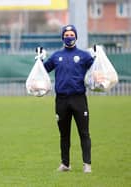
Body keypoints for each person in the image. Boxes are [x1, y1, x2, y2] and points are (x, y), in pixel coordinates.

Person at [42, 25, 94, 173]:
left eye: (72, 34)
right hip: (61, 100)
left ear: (76, 36)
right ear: (62, 37)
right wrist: (39, 60)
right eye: (66, 34)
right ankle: (65, 164)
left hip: (79, 99)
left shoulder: (84, 55)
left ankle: (87, 164)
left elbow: (96, 70)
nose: (69, 36)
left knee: (84, 133)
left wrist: (98, 57)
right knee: (64, 134)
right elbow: (42, 71)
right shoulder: (56, 56)